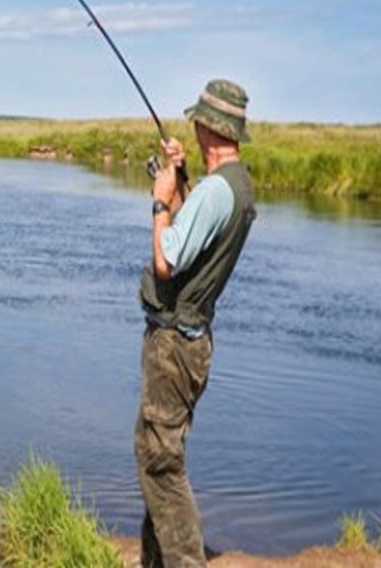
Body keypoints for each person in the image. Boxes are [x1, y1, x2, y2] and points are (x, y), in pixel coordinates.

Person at [134, 79, 256, 567]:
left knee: (161, 464)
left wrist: (162, 199)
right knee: (155, 453)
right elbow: (193, 240)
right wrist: (180, 177)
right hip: (191, 342)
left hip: (174, 347)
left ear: (208, 127)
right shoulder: (235, 186)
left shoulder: (215, 194)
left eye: (197, 121)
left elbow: (167, 259)